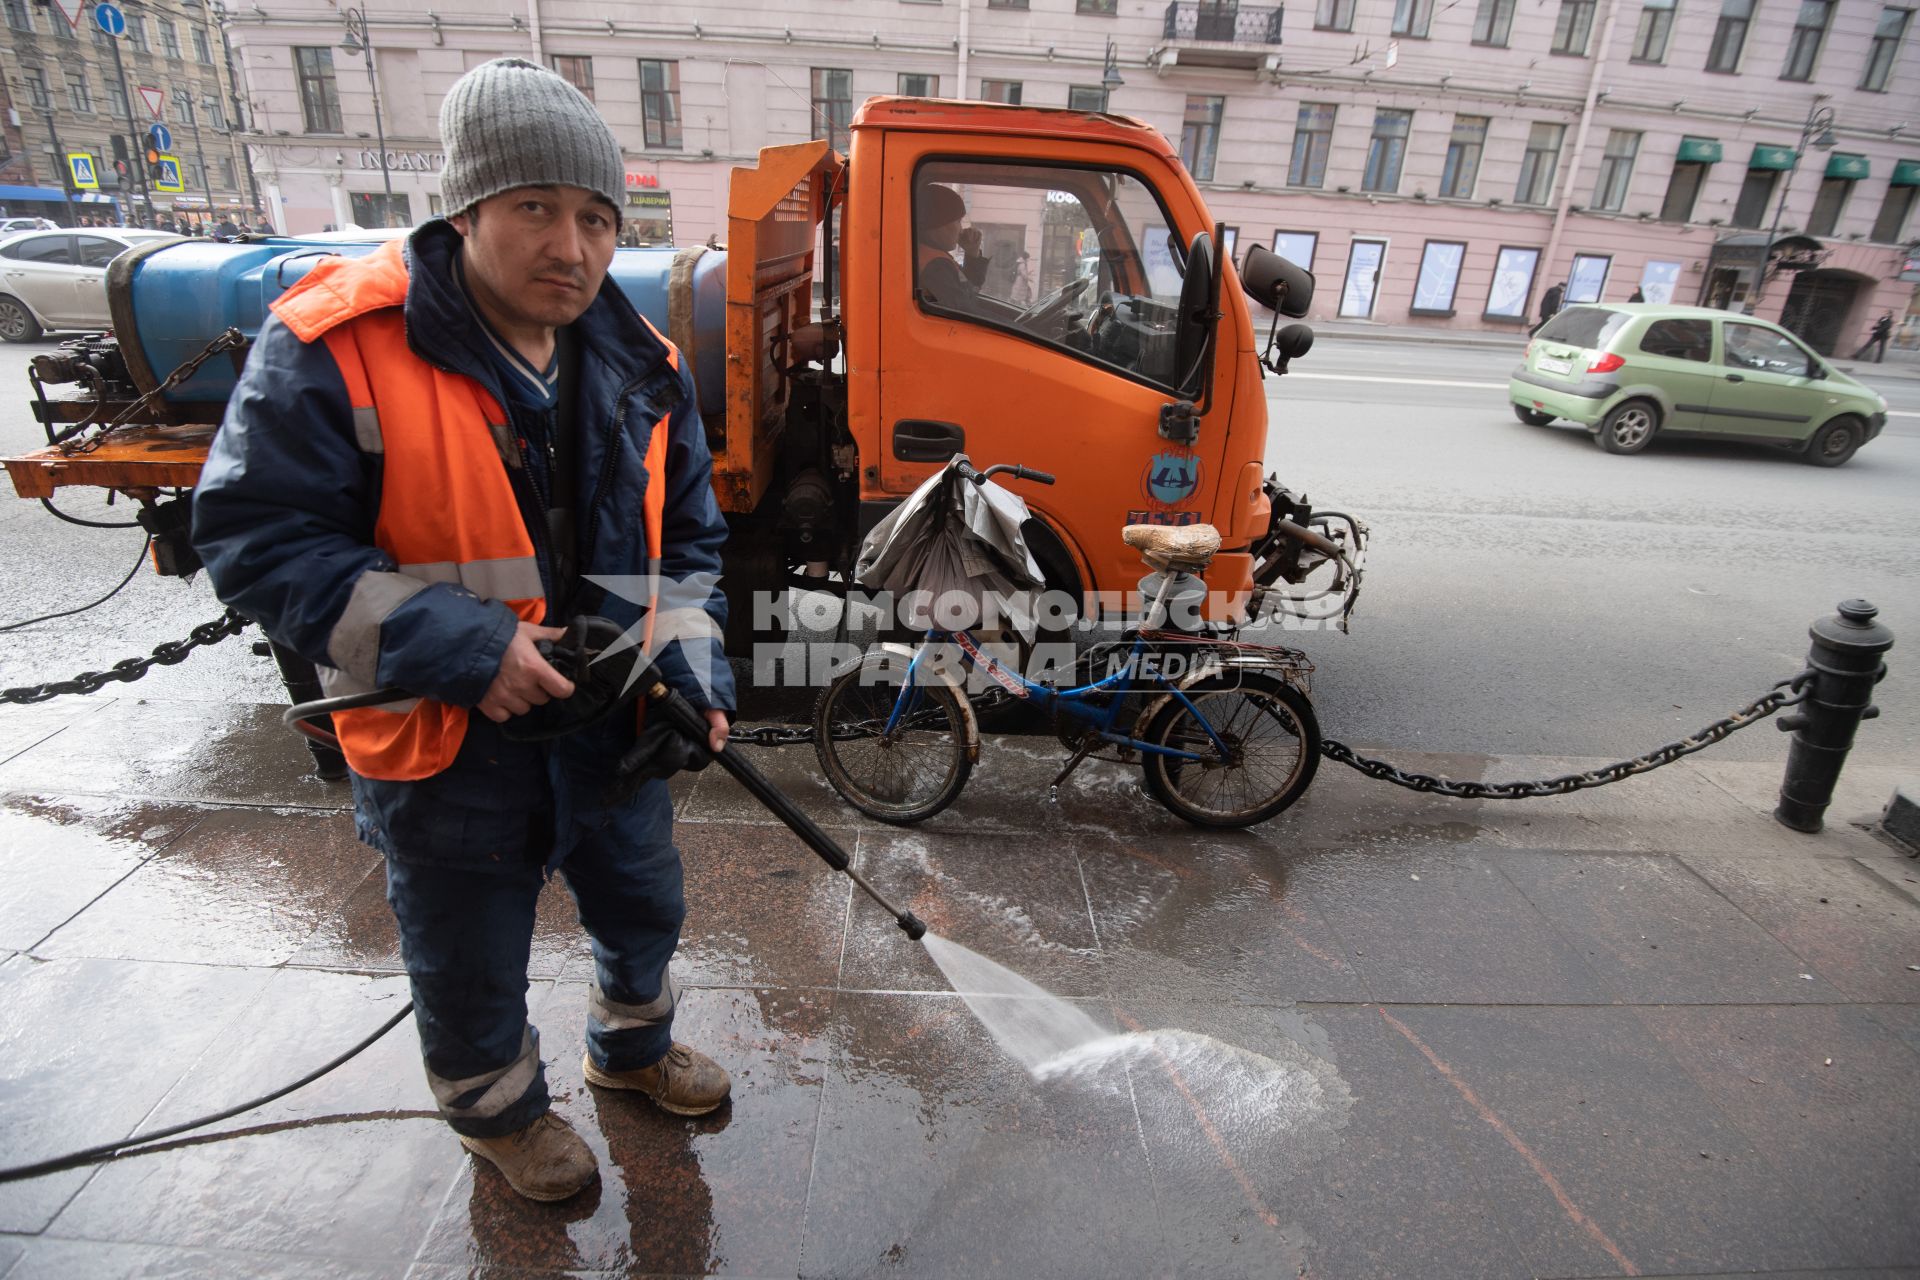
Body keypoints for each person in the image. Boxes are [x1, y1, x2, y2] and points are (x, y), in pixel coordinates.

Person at [193, 57, 736, 1204]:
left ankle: (629, 1050)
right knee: (466, 946)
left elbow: (689, 535)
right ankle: (499, 1112)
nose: (573, 246)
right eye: (535, 208)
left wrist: (688, 655)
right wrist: (465, 645)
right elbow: (256, 536)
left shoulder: (645, 361)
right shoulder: (334, 346)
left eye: (596, 217)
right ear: (466, 208)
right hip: (451, 738)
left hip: (613, 721)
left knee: (644, 902)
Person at [915, 183, 991, 311]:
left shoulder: (934, 257)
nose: (961, 230)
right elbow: (965, 311)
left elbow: (968, 288)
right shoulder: (936, 266)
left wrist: (972, 254)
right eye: (958, 222)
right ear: (939, 224)